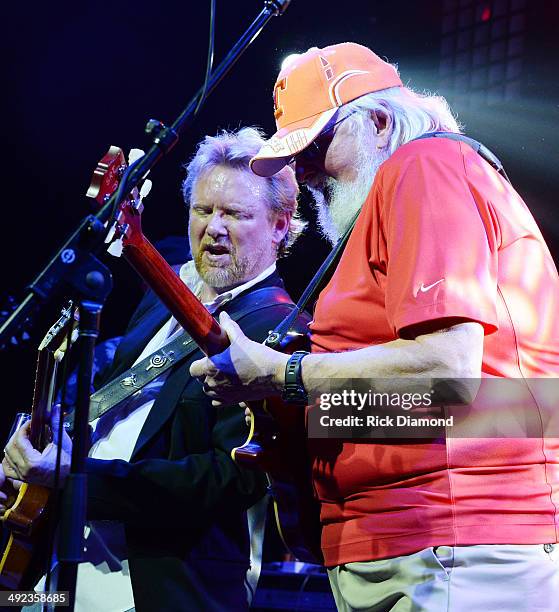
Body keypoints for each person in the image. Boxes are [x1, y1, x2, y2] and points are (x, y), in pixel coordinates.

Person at [189, 43, 559, 611]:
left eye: (316, 146)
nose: (305, 171)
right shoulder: (414, 188)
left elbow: (447, 372)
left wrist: (282, 375)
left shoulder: (424, 167)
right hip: (417, 541)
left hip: (450, 540)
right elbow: (427, 395)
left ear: (380, 123)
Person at [0, 127, 308, 611]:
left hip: (159, 587)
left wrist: (79, 478)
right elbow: (106, 405)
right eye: (203, 210)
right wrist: (39, 449)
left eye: (235, 213)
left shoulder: (281, 329)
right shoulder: (162, 296)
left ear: (279, 225)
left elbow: (228, 479)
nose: (214, 227)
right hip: (60, 571)